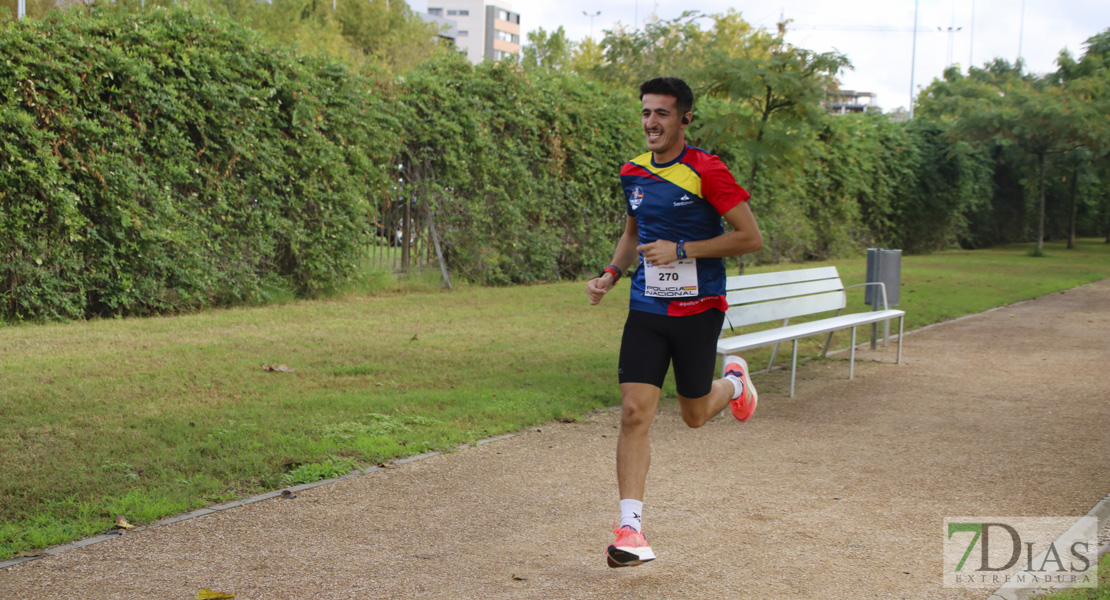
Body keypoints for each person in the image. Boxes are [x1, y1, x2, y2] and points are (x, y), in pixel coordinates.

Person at [586, 77, 764, 568]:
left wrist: (682, 249)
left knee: (693, 414)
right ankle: (630, 530)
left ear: (684, 119)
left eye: (662, 114)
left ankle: (733, 382)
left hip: (699, 310)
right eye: (645, 112)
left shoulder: (707, 170)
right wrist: (611, 273)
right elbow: (632, 231)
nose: (650, 122)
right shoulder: (632, 172)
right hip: (646, 309)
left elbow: (750, 238)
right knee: (634, 412)